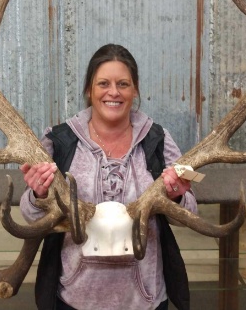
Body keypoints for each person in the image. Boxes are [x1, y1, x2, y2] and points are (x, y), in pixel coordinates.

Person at [20, 44, 197, 310]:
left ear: (134, 90)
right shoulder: (59, 141)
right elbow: (30, 216)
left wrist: (177, 196)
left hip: (145, 300)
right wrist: (38, 194)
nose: (113, 92)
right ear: (89, 90)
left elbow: (190, 213)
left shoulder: (157, 140)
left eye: (123, 84)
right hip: (74, 298)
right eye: (103, 83)